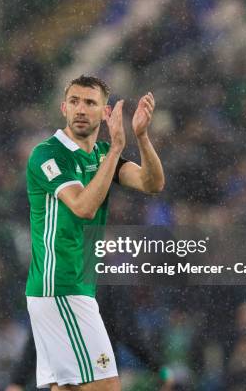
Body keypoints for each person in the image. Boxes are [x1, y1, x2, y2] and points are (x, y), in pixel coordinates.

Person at [24, 75, 165, 390]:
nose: (81, 109)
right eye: (74, 101)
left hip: (71, 288)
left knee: (69, 388)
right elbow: (83, 206)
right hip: (60, 287)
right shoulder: (48, 154)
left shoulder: (101, 154)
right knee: (106, 386)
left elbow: (152, 183)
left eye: (90, 102)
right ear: (63, 108)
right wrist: (116, 149)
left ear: (106, 112)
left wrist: (141, 137)